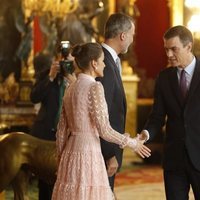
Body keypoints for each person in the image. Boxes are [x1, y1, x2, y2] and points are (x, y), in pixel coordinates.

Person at [52, 42, 151, 200]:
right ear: (94, 63)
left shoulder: (70, 88)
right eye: (103, 60)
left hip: (70, 153)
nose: (104, 65)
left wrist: (61, 159)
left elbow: (62, 131)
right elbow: (104, 130)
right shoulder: (95, 87)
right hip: (89, 152)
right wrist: (133, 143)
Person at [139, 25, 200, 200]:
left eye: (174, 49)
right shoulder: (164, 77)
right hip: (174, 159)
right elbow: (157, 116)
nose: (169, 55)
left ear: (188, 47)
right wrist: (146, 133)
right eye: (166, 50)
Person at [96, 13, 135, 191]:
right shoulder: (105, 63)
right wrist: (110, 153)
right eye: (132, 35)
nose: (132, 40)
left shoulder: (108, 60)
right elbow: (104, 113)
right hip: (104, 153)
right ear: (123, 36)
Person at [30, 52, 65, 200]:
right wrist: (51, 77)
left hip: (65, 134)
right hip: (45, 132)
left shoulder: (77, 77)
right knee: (45, 180)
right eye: (60, 58)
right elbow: (34, 97)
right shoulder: (47, 75)